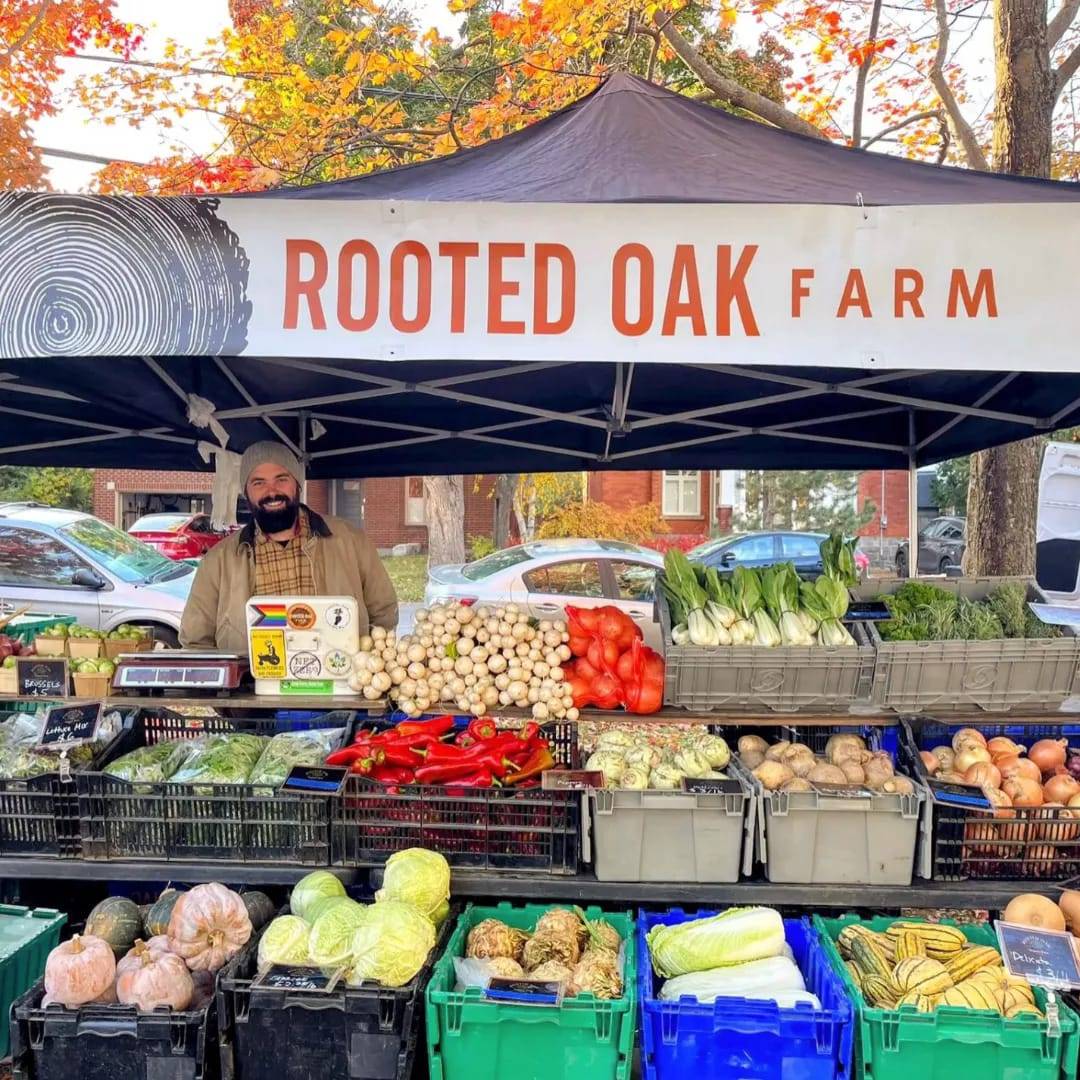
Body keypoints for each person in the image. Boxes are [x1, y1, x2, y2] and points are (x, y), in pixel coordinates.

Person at [180, 441, 397, 654]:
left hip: (339, 685)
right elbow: (196, 642)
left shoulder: (351, 541)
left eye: (281, 479)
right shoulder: (219, 561)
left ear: (297, 484)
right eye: (258, 483)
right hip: (253, 688)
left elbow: (383, 614)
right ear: (245, 492)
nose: (271, 491)